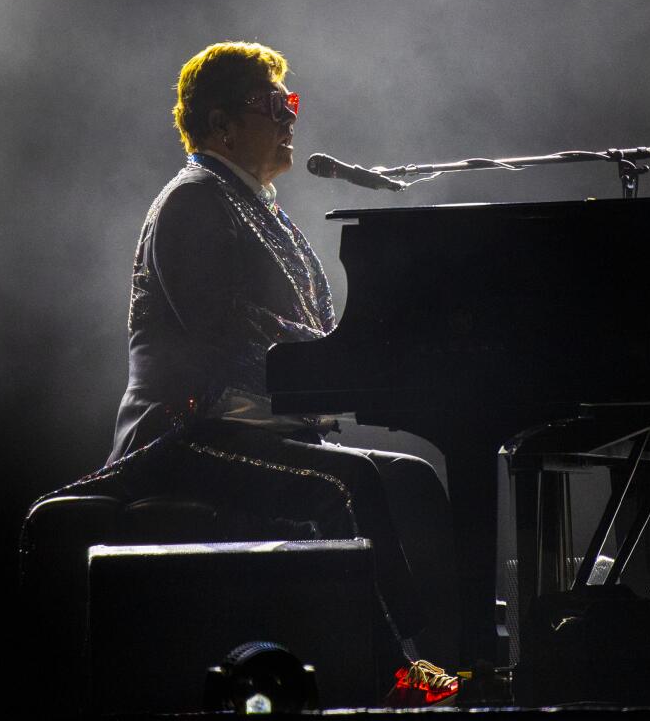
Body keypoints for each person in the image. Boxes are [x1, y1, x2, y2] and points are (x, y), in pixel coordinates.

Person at [56, 41, 456, 671]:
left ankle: (457, 659)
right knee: (348, 482)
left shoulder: (257, 206)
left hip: (258, 431)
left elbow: (311, 325)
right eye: (275, 104)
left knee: (416, 478)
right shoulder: (191, 200)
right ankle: (398, 671)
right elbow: (223, 330)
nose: (292, 117)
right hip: (184, 434)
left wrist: (348, 362)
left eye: (290, 102)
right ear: (221, 124)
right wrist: (328, 360)